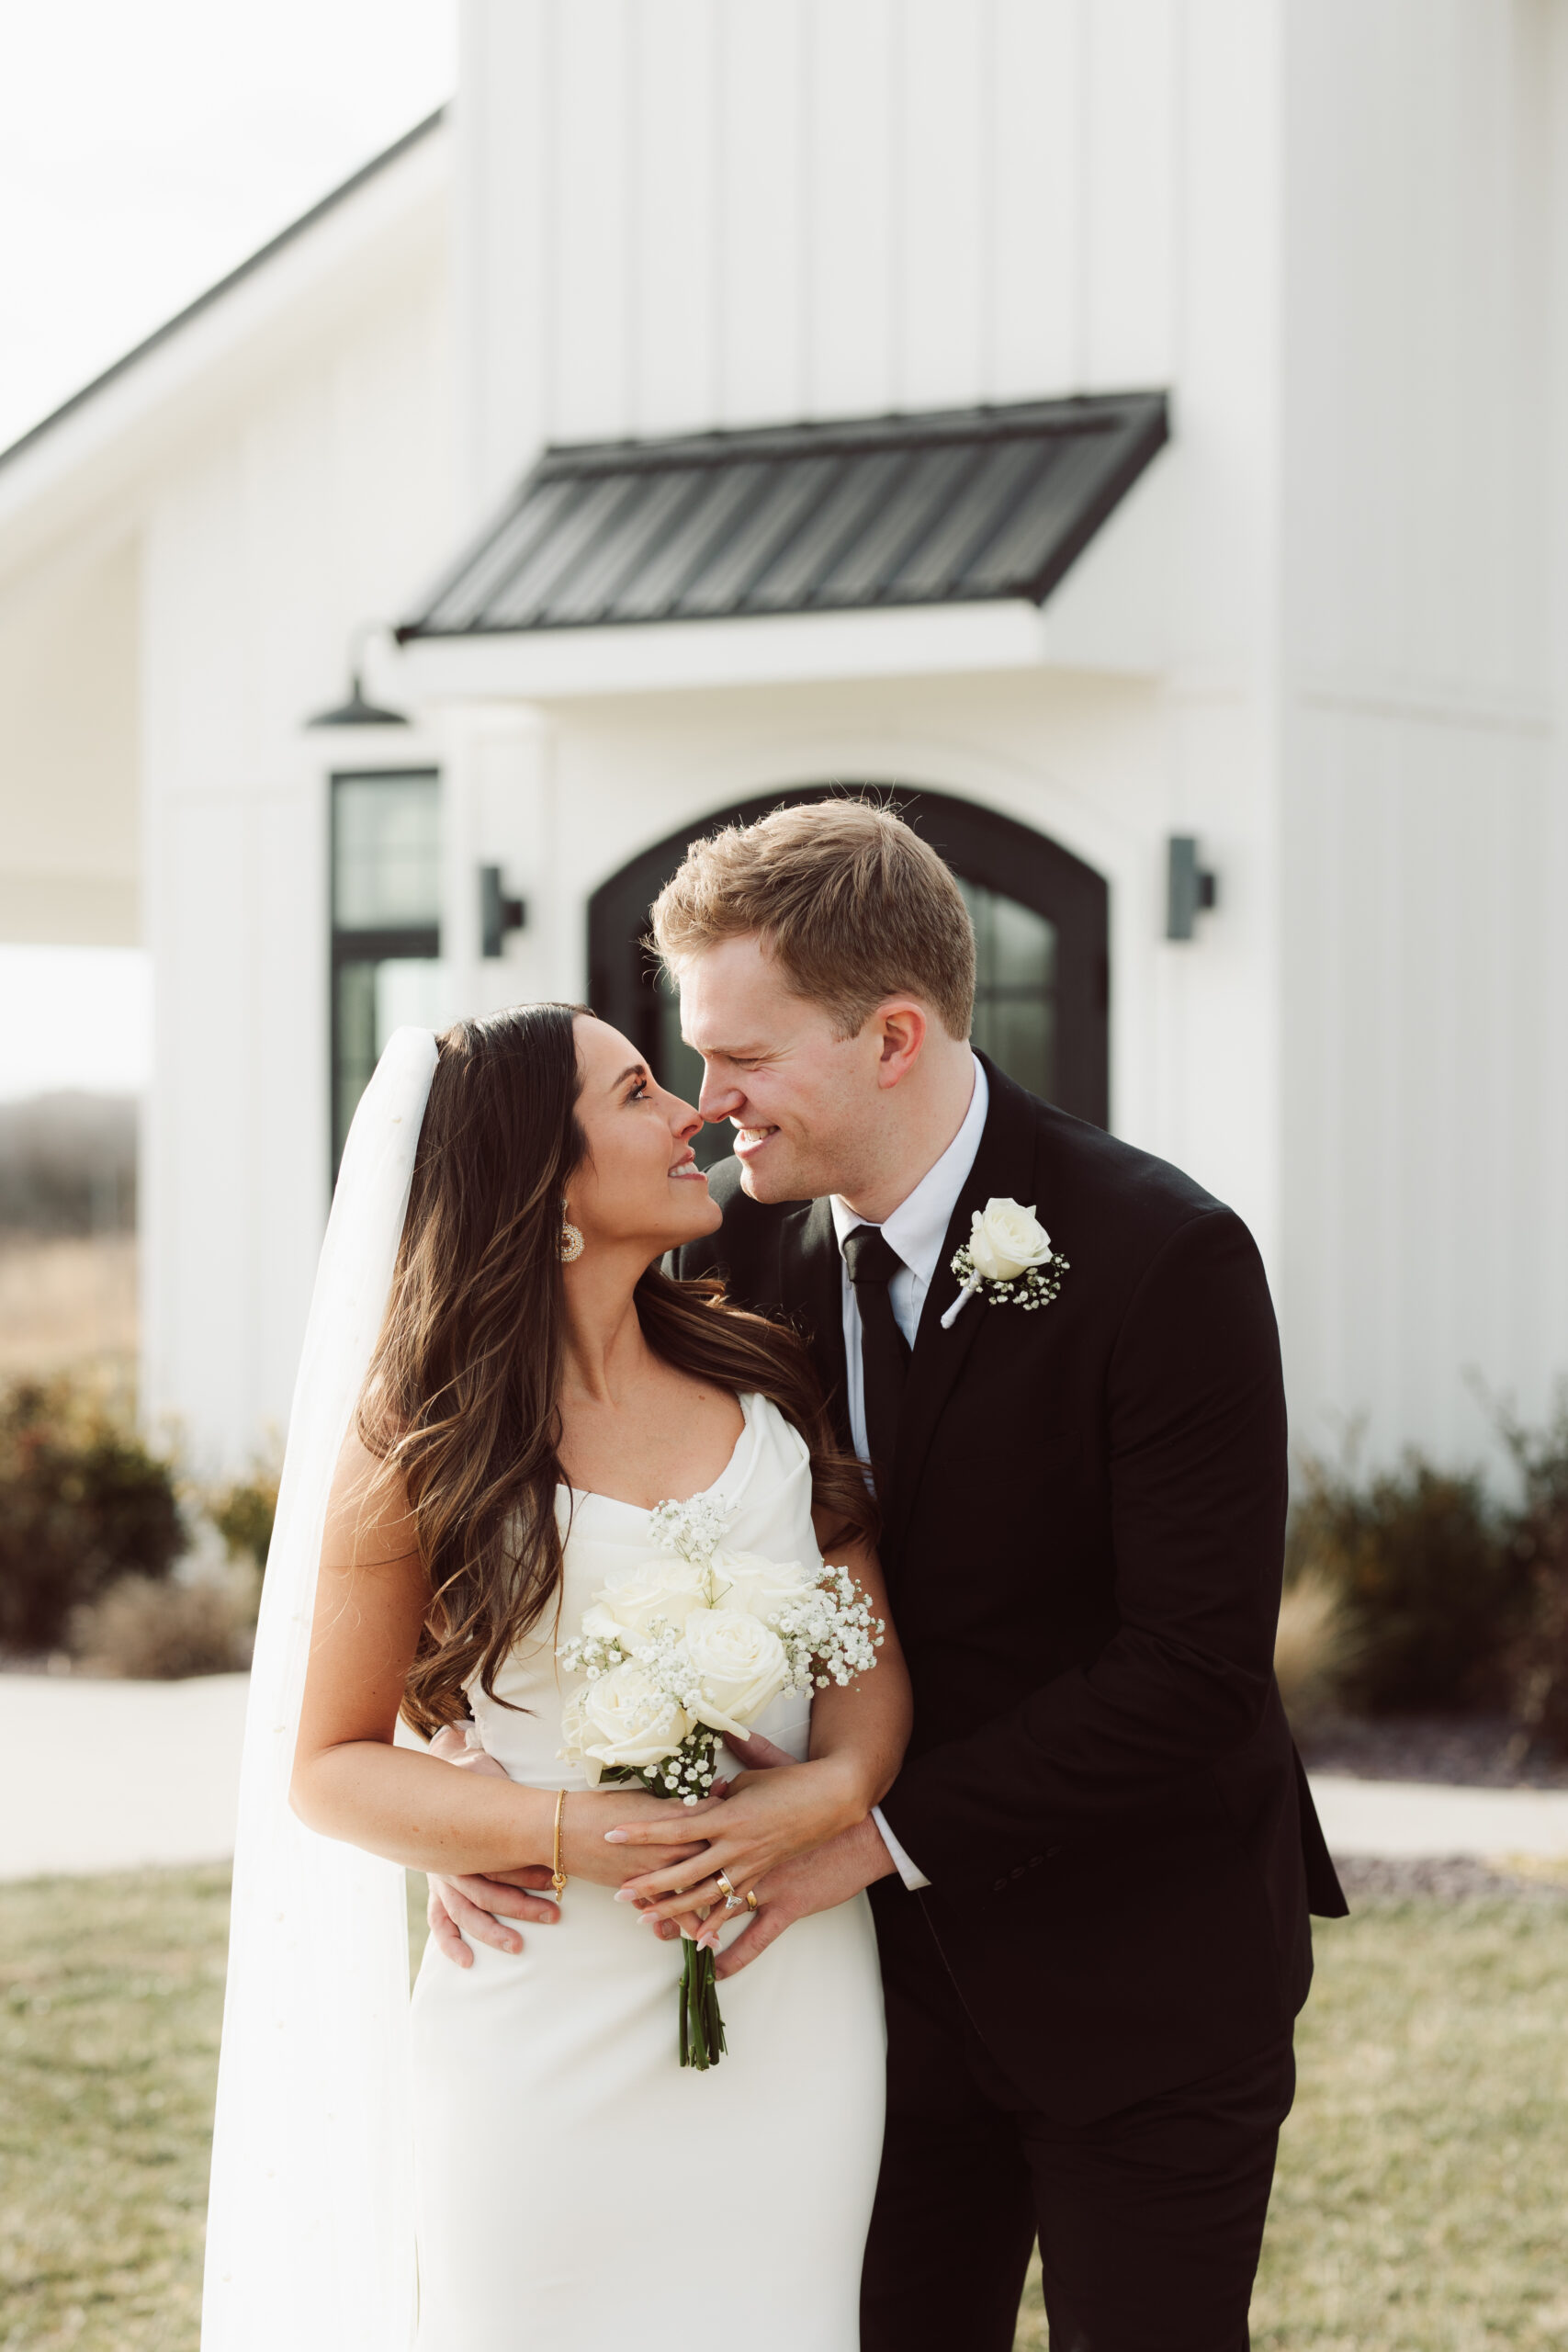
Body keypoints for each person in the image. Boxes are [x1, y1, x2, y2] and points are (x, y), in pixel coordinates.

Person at [431, 802, 1348, 2352]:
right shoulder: (719, 1268)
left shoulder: (1163, 1258)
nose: (707, 1109)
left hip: (1145, 1978)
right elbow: (560, 1522)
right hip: (862, 2020)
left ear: (896, 1036)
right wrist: (477, 1780)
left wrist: (867, 1837)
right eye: (689, 1062)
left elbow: (1190, 1672)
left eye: (743, 1058)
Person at [285, 1002, 909, 2350]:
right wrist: (565, 1833)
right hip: (543, 2014)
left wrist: (835, 1793)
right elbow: (328, 1766)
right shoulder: (423, 1442)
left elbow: (865, 1670)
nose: (692, 1111)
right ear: (544, 1177)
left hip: (784, 1993)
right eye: (639, 1094)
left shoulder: (764, 1378)